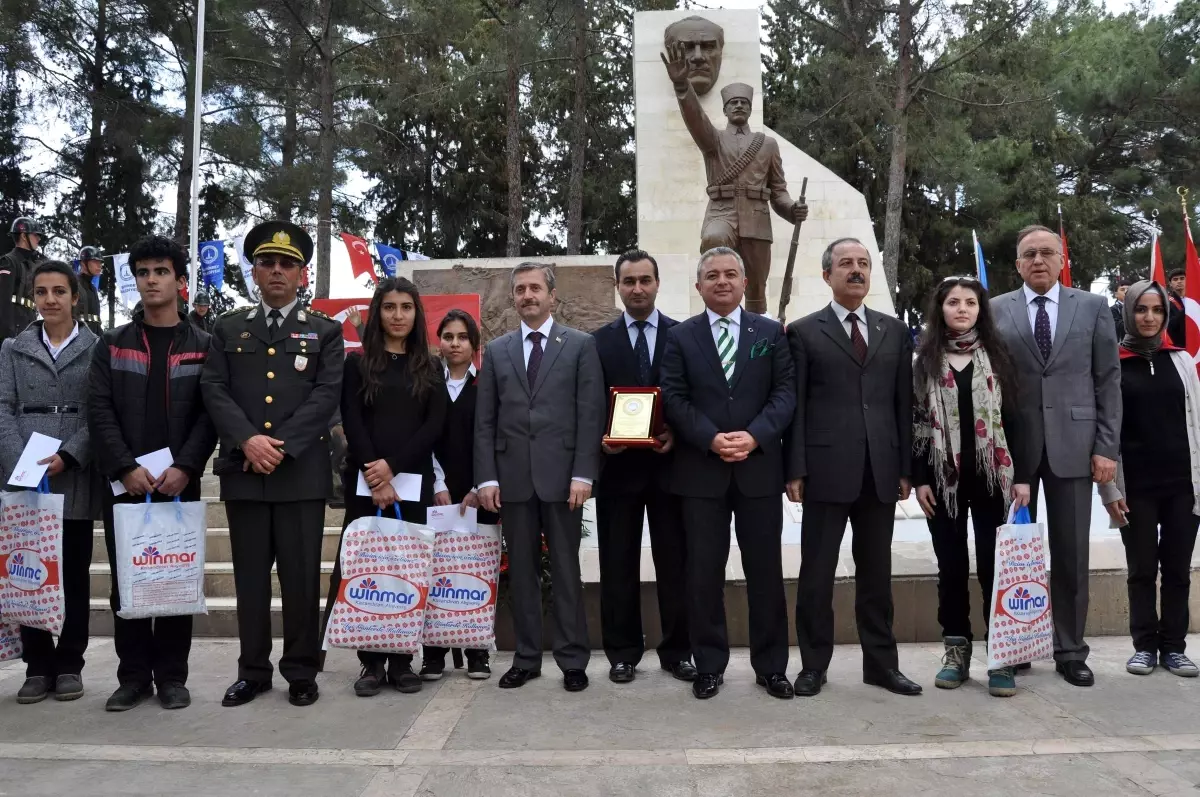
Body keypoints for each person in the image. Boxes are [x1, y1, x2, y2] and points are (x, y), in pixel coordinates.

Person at [200, 220, 344, 708]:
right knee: (250, 580)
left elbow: (326, 396)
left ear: (302, 275)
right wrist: (247, 441)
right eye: (267, 263)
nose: (277, 271)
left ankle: (301, 671)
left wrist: (277, 445)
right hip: (245, 473)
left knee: (302, 579)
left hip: (299, 474)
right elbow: (213, 389)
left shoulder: (325, 332)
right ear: (255, 273)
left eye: (287, 264)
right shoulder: (227, 328)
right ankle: (253, 670)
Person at [88, 235, 218, 711]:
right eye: (142, 272)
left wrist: (186, 466)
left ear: (181, 282)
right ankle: (133, 676)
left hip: (178, 481)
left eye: (161, 272)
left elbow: (210, 413)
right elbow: (99, 410)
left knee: (177, 577)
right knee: (129, 577)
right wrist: (125, 465)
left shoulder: (205, 345)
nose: (151, 280)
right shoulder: (113, 344)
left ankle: (172, 676)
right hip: (127, 483)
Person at [786, 238, 921, 698]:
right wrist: (796, 469)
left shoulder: (894, 331)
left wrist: (906, 467)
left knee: (877, 577)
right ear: (827, 275)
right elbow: (797, 408)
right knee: (816, 575)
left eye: (863, 264)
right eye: (846, 264)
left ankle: (882, 666)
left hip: (881, 471)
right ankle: (813, 666)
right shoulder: (803, 333)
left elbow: (904, 404)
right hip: (824, 471)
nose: (856, 270)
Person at [660, 247, 795, 700]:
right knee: (703, 574)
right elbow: (674, 399)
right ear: (699, 286)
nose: (722, 281)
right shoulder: (680, 337)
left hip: (758, 470)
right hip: (701, 472)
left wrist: (754, 435)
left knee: (765, 572)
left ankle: (772, 666)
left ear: (744, 283)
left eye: (731, 274)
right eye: (712, 275)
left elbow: (784, 393)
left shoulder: (769, 333)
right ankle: (710, 665)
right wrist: (711, 438)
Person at [991, 224, 1121, 687]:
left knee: (1071, 553)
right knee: (1013, 553)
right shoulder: (995, 309)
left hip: (1076, 447)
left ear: (1062, 260)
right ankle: (1018, 643)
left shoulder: (1092, 307)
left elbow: (1108, 381)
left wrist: (1106, 448)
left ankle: (1070, 649)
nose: (1039, 260)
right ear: (1018, 264)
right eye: (1030, 254)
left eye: (1048, 253)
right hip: (1016, 452)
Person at [475, 262, 604, 692]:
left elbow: (590, 415)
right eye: (520, 290)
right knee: (523, 573)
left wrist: (584, 473)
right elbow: (485, 422)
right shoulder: (496, 351)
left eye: (535, 288)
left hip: (563, 479)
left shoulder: (580, 346)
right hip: (512, 481)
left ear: (552, 295)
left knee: (566, 572)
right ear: (513, 298)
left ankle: (572, 661)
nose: (527, 295)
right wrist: (487, 479)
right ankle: (527, 659)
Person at [912, 276, 1032, 698]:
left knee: (994, 568)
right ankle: (956, 651)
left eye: (970, 302)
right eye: (952, 303)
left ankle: (1000, 657)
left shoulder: (1000, 357)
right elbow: (918, 427)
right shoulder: (924, 360)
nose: (961, 309)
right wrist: (921, 478)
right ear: (940, 310)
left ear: (981, 309)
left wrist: (1022, 478)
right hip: (942, 481)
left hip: (993, 477)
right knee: (951, 566)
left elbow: (1018, 419)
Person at [337, 277, 447, 697]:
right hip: (366, 485)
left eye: (406, 307)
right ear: (377, 313)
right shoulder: (358, 364)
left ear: (416, 314)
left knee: (407, 572)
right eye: (389, 307)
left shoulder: (430, 366)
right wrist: (374, 472)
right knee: (368, 573)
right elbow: (353, 420)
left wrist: (393, 468)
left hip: (412, 483)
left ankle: (402, 661)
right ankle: (370, 662)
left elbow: (433, 426)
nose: (397, 315)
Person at [0, 260, 100, 703]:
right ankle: (37, 666)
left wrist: (69, 455)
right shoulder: (12, 348)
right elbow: (2, 406)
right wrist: (19, 460)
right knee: (28, 572)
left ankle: (69, 664)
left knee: (73, 576)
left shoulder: (99, 348)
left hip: (73, 475)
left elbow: (100, 412)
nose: (50, 300)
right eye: (42, 292)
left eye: (59, 291)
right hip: (24, 477)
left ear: (74, 297)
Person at [592, 250, 693, 685]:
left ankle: (677, 651)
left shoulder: (683, 336)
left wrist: (678, 433)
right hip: (617, 472)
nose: (637, 288)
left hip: (670, 469)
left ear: (657, 284)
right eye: (629, 281)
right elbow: (592, 402)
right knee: (617, 565)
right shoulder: (598, 342)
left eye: (644, 280)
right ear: (618, 286)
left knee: (676, 564)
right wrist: (603, 440)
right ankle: (623, 652)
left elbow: (693, 395)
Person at [1099, 280, 1200, 679]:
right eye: (1141, 309)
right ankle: (1144, 646)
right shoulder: (1113, 363)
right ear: (1128, 312)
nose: (1149, 317)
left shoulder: (1181, 360)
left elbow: (1195, 423)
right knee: (1141, 568)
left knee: (1177, 569)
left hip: (1182, 485)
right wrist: (1109, 488)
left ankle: (1175, 648)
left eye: (1157, 310)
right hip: (1134, 487)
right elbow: (1105, 431)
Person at [422, 309, 497, 681]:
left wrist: (477, 485)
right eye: (448, 336)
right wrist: (438, 484)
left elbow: (493, 440)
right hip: (435, 493)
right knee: (434, 573)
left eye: (462, 337)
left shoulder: (485, 386)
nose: (455, 343)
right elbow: (423, 440)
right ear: (439, 342)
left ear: (474, 345)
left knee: (473, 574)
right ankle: (433, 653)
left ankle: (477, 651)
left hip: (476, 497)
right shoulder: (426, 385)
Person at [0, 216, 44, 344]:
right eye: (35, 235)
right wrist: (7, 335)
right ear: (24, 236)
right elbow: (3, 301)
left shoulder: (32, 265)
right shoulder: (8, 262)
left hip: (29, 324)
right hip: (13, 327)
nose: (39, 239)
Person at [76, 246, 104, 335]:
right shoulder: (73, 284)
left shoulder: (93, 288)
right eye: (95, 262)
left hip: (96, 334)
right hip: (79, 335)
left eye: (100, 262)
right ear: (83, 263)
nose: (99, 265)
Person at [1167, 268, 1187, 347]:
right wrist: (1185, 311)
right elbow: (1168, 326)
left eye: (1182, 278)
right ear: (1170, 284)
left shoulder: (1195, 300)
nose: (1179, 281)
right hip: (1179, 345)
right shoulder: (1167, 302)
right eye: (1175, 279)